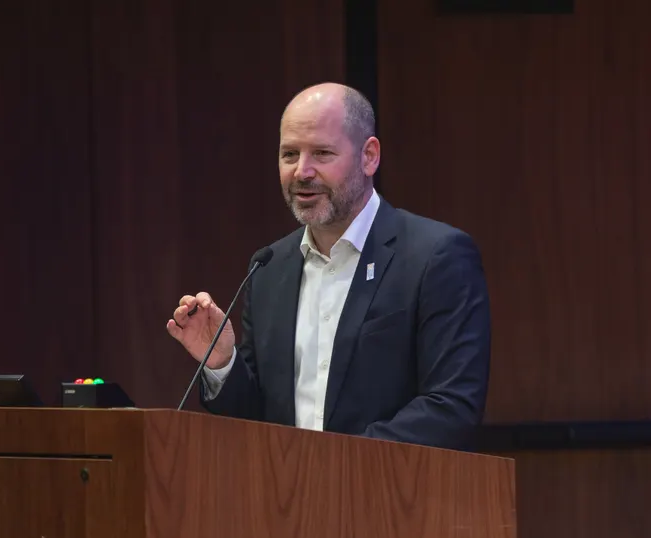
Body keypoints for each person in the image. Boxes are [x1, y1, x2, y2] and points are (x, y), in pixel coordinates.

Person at [165, 83, 491, 451]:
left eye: (321, 153)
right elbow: (259, 417)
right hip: (287, 502)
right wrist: (222, 362)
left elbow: (451, 406)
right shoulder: (270, 268)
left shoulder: (435, 256)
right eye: (289, 154)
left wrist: (334, 466)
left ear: (369, 156)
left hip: (396, 498)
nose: (302, 172)